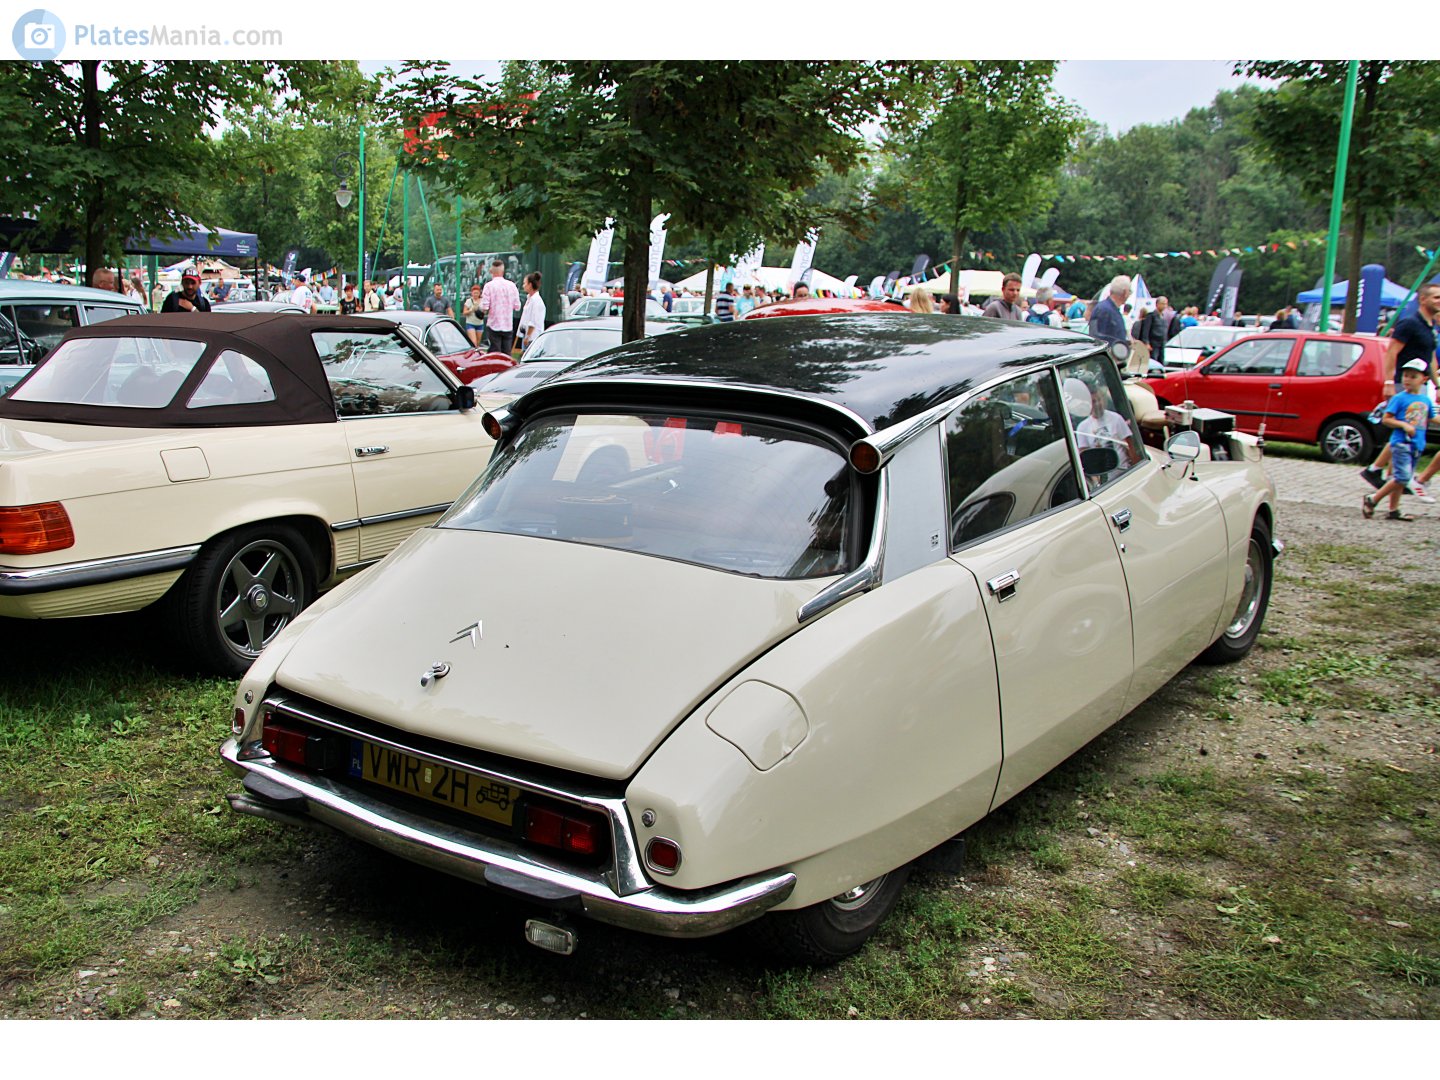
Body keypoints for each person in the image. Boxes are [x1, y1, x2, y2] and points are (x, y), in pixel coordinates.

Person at [1361, 282, 1440, 497]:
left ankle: (1389, 479)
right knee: (1404, 430)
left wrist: (1437, 384)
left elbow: (1430, 358)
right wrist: (1389, 382)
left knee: (1406, 433)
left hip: (1420, 386)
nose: (1439, 302)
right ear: (1422, 300)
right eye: (1436, 298)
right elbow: (1391, 352)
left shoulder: (1430, 326)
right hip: (1403, 383)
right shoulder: (1410, 323)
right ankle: (1378, 471)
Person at [1363, 359, 1434, 521]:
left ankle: (1393, 510)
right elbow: (1387, 419)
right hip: (1401, 443)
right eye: (1405, 376)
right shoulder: (1399, 398)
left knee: (1399, 478)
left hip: (1417, 445)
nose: (1407, 379)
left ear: (1424, 379)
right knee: (1402, 477)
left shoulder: (1425, 400)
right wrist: (1403, 425)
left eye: (1413, 376)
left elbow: (1431, 417)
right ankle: (1372, 499)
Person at [479, 258, 521, 356]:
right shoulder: (512, 286)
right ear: (503, 271)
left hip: (494, 324)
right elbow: (517, 306)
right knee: (507, 353)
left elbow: (485, 307)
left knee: (495, 353)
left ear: (491, 271)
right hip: (507, 324)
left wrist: (481, 309)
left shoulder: (488, 286)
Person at [1135, 297, 1181, 365]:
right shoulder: (1151, 316)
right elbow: (1146, 330)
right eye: (1162, 304)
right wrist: (1146, 343)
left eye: (1166, 304)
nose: (1164, 306)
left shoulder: (1164, 316)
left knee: (1161, 360)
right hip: (1154, 342)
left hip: (1162, 342)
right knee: (1154, 360)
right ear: (1157, 304)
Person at [1089, 275, 1132, 348]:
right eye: (1130, 291)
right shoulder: (1103, 310)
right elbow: (1097, 339)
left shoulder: (1109, 309)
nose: (1130, 294)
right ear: (1125, 292)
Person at [517, 271, 546, 352]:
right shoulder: (530, 299)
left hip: (532, 338)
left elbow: (533, 321)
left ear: (530, 284)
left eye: (524, 283)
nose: (523, 286)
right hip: (527, 335)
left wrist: (528, 337)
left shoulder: (536, 301)